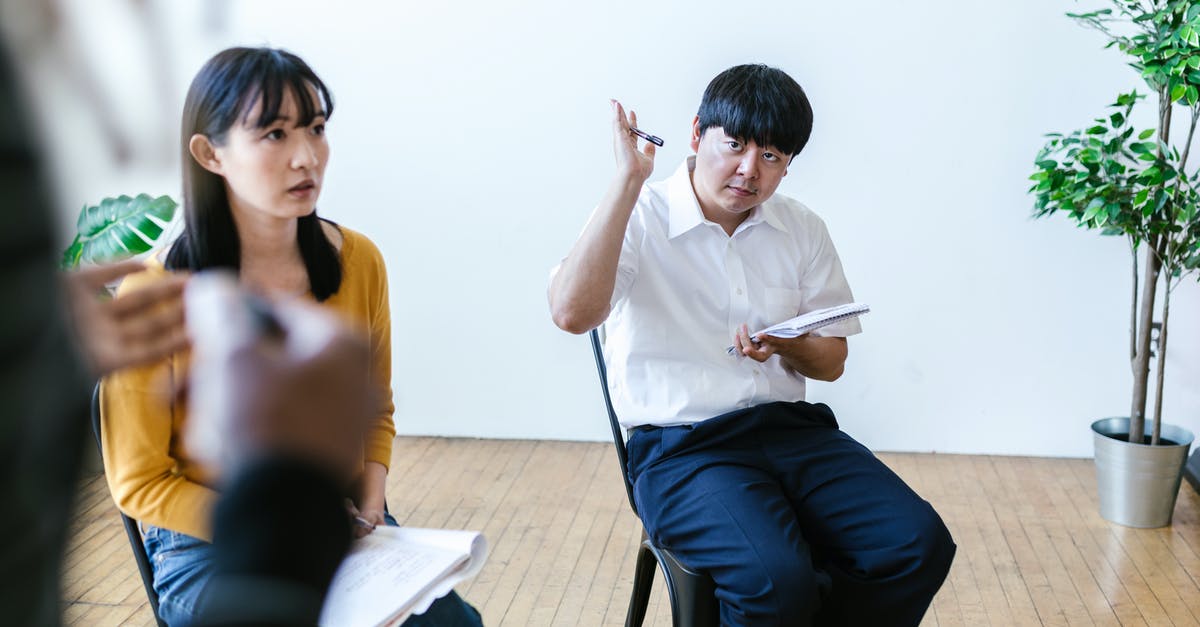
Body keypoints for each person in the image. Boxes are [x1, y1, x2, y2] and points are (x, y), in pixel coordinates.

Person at [549, 64, 955, 626]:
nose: (749, 170)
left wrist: (788, 346)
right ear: (696, 135)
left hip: (791, 433)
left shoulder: (802, 227)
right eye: (735, 145)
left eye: (772, 157)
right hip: (681, 451)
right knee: (775, 580)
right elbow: (571, 315)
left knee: (917, 543)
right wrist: (626, 183)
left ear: (789, 164)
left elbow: (833, 361)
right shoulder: (638, 215)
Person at [99, 47, 480, 626]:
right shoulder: (155, 297)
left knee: (453, 624)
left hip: (335, 522)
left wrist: (371, 503)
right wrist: (277, 529)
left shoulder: (358, 262)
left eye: (317, 129)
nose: (307, 157)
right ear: (210, 153)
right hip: (207, 544)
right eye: (274, 135)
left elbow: (375, 410)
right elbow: (140, 483)